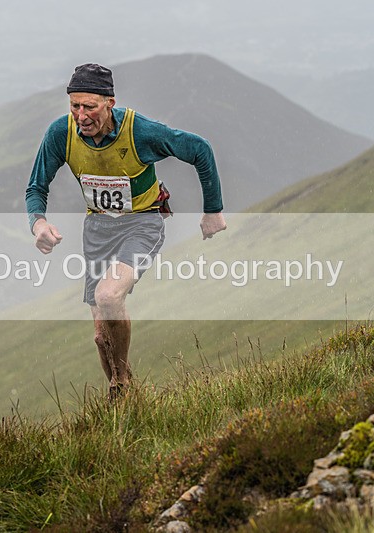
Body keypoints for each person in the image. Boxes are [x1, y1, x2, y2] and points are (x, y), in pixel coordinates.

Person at [25, 63, 226, 399]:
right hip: (98, 229)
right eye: (74, 106)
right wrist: (38, 223)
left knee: (108, 296)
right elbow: (36, 187)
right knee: (102, 337)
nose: (81, 115)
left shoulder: (141, 132)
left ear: (110, 103)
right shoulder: (61, 133)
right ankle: (124, 393)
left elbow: (200, 150)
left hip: (142, 222)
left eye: (90, 106)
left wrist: (213, 211)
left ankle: (120, 386)